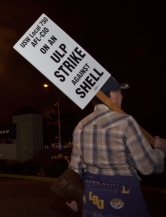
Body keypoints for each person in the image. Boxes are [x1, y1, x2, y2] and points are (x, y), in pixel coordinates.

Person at [67, 76, 166, 216]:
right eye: (121, 93)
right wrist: (160, 149)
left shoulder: (80, 126)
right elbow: (147, 167)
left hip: (93, 200)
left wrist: (72, 196)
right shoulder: (125, 122)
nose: (122, 97)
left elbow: (74, 169)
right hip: (124, 198)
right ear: (113, 96)